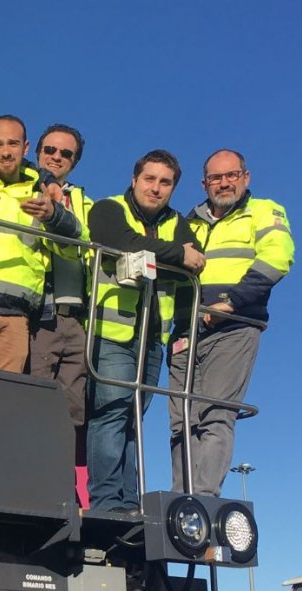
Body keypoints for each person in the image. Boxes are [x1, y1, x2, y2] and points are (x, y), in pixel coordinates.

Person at [0, 115, 79, 488]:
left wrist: (54, 215)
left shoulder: (44, 190)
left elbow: (73, 244)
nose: (6, 151)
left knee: (5, 396)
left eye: (13, 144)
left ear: (26, 149)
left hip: (18, 311)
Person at [169, 149, 294, 495]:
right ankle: (181, 505)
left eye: (231, 175)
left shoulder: (264, 211)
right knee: (181, 422)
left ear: (245, 178)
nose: (224, 183)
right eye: (216, 177)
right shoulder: (187, 221)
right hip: (185, 329)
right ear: (204, 183)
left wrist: (232, 302)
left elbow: (278, 257)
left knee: (214, 414)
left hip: (235, 325)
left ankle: (202, 501)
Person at [86, 150, 204, 514]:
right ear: (135, 179)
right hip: (113, 332)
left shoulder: (177, 222)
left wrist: (162, 258)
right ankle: (106, 503)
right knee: (112, 413)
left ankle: (128, 501)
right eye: (149, 179)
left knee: (133, 421)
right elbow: (119, 240)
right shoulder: (108, 208)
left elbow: (195, 264)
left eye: (164, 182)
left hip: (153, 338)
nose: (155, 188)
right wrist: (174, 255)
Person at [29, 124, 92, 446]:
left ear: (75, 161)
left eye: (65, 153)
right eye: (49, 150)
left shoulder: (86, 203)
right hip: (40, 315)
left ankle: (60, 484)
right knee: (35, 401)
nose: (56, 157)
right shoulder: (21, 189)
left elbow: (88, 244)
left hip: (78, 318)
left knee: (71, 409)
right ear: (36, 152)